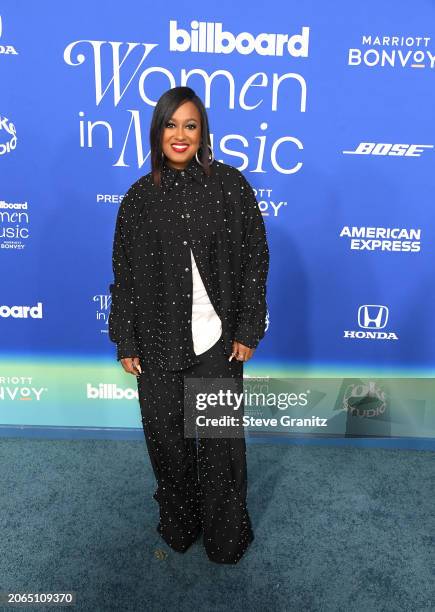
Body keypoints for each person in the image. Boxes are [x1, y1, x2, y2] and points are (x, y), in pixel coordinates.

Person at [108, 86, 269, 564]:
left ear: (203, 132)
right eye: (171, 125)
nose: (180, 135)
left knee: (220, 450)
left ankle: (224, 538)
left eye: (190, 125)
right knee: (168, 447)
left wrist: (247, 328)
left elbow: (255, 260)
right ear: (157, 132)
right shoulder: (138, 198)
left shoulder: (229, 186)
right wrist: (125, 337)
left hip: (217, 344)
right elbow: (124, 272)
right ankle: (179, 524)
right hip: (157, 345)